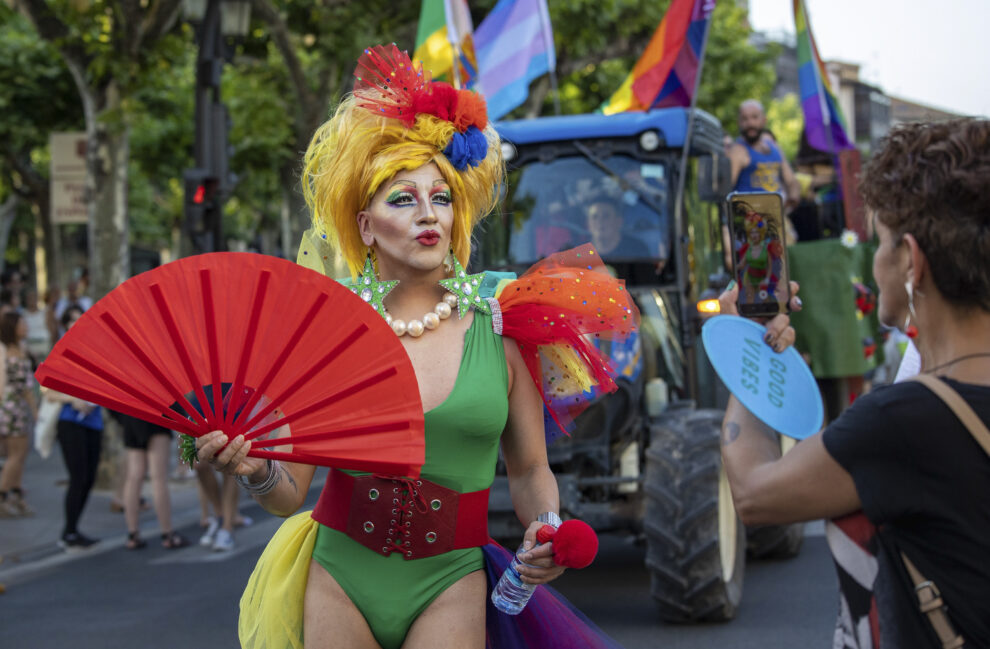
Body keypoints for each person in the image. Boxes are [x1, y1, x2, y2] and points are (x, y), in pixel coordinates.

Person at [196, 44, 632, 649]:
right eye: (403, 198)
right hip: (338, 573)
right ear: (366, 226)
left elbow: (530, 468)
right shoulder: (327, 332)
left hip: (451, 576)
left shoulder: (505, 320)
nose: (429, 214)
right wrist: (254, 470)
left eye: (442, 197)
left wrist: (546, 530)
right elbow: (288, 492)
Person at [718, 119, 990, 647]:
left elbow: (754, 494)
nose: (875, 260)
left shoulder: (903, 423)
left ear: (912, 260)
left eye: (880, 242)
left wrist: (749, 340)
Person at [45, 305, 104, 551]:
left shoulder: (97, 352)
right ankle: (68, 532)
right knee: (78, 477)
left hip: (95, 421)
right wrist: (73, 399)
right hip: (70, 422)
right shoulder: (62, 352)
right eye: (70, 319)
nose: (75, 323)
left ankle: (73, 529)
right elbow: (48, 392)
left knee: (89, 478)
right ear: (64, 324)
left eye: (79, 318)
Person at [116, 413, 188, 550]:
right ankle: (168, 534)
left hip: (130, 417)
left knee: (134, 477)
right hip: (155, 417)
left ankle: (133, 535)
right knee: (158, 478)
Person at [0, 312, 37, 516]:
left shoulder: (21, 348)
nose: (26, 326)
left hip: (14, 406)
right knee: (16, 454)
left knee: (19, 454)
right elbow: (24, 387)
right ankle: (4, 495)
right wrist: (34, 410)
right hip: (13, 407)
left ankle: (15, 494)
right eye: (22, 323)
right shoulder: (7, 350)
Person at [586, 198, 650, 260]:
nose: (600, 221)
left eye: (606, 216)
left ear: (619, 221)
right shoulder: (580, 254)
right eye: (594, 217)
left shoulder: (637, 250)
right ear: (588, 224)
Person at [22, 289, 50, 367]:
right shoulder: (22, 313)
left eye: (34, 297)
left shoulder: (45, 312)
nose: (32, 300)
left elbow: (51, 329)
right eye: (29, 298)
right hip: (29, 347)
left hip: (43, 346)